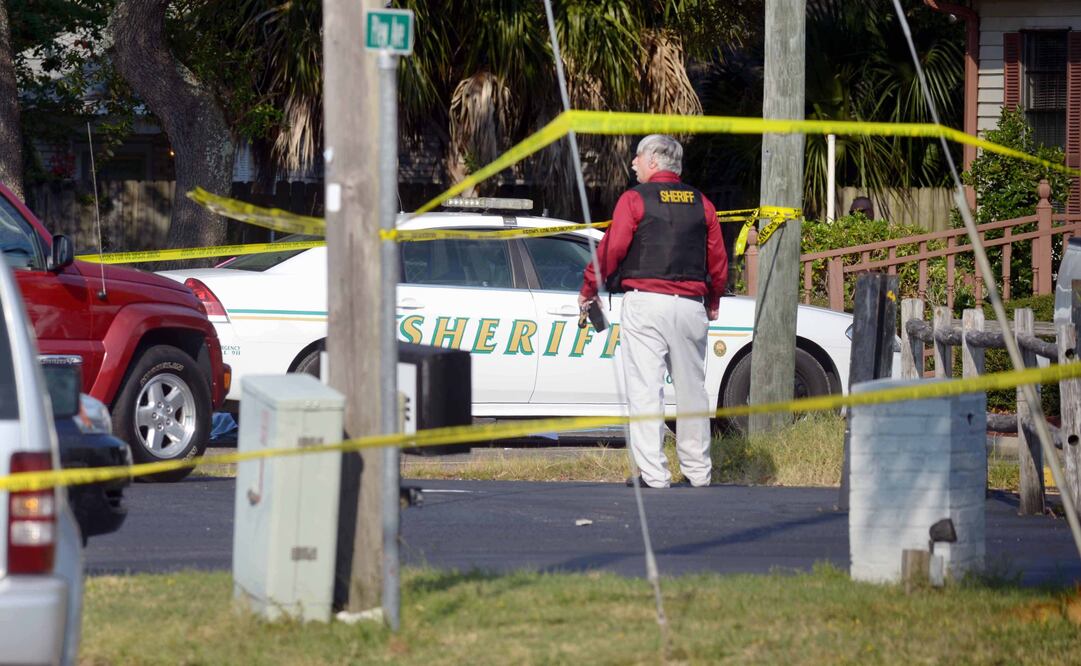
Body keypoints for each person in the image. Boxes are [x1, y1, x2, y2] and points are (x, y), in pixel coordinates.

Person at [579, 134, 728, 489]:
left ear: (653, 162)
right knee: (692, 390)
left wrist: (589, 288)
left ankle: (654, 474)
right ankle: (698, 472)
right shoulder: (702, 203)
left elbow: (612, 250)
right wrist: (714, 300)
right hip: (691, 306)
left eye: (637, 158)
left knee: (646, 389)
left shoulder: (634, 199)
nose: (632, 164)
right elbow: (718, 260)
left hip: (646, 302)